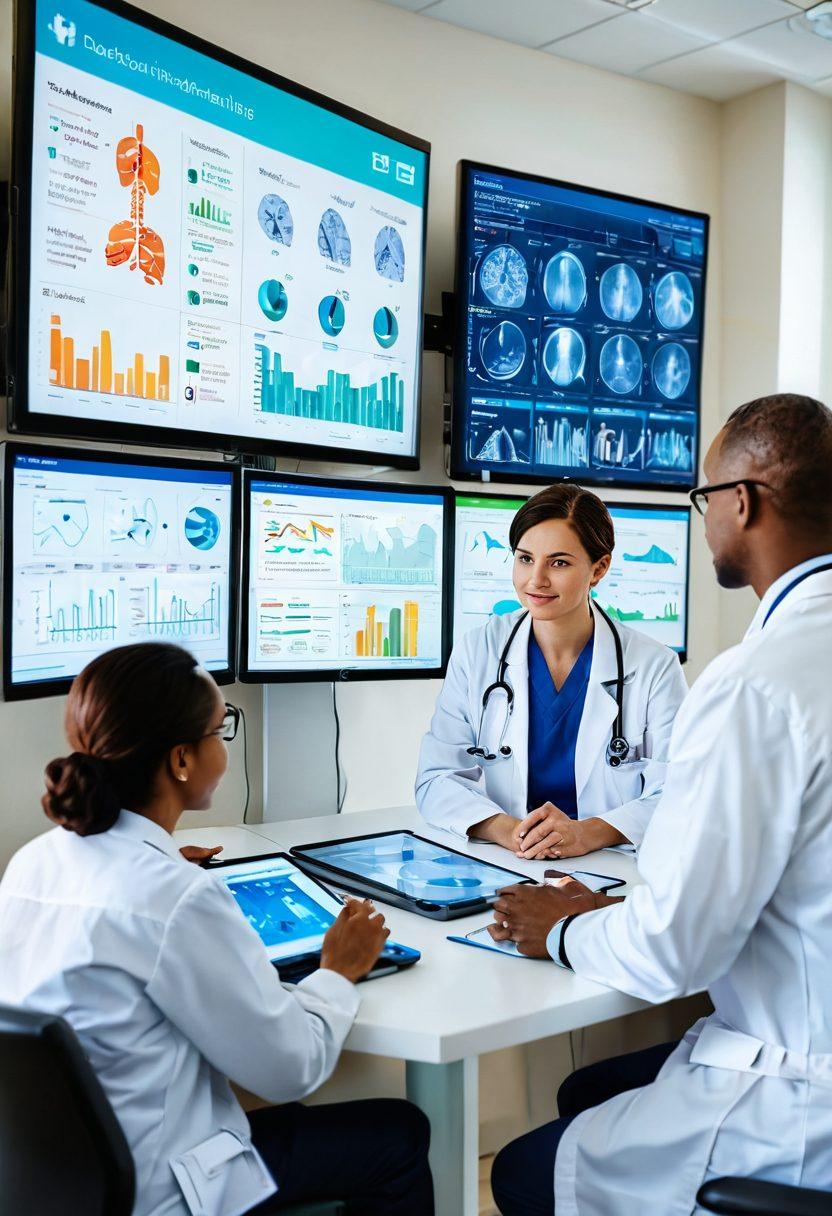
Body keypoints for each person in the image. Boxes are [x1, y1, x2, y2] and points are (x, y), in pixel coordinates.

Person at [488, 393, 832, 1215]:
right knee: (589, 1091)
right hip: (798, 1036)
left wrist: (563, 926)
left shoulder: (754, 683)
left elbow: (679, 947)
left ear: (740, 503)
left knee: (517, 1173)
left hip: (797, 1099)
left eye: (705, 497)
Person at [0, 643, 433, 1216]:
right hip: (161, 1191)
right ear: (182, 759)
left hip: (58, 1187)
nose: (223, 741)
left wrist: (167, 872)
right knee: (397, 1135)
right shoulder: (177, 898)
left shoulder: (33, 862)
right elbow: (290, 1070)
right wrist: (336, 970)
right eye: (221, 726)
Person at [416, 484, 687, 859]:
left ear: (599, 568)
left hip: (609, 866)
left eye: (559, 563)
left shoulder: (654, 666)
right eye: (525, 558)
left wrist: (584, 835)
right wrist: (508, 830)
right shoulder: (478, 650)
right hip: (509, 860)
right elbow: (435, 779)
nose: (535, 580)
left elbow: (680, 792)